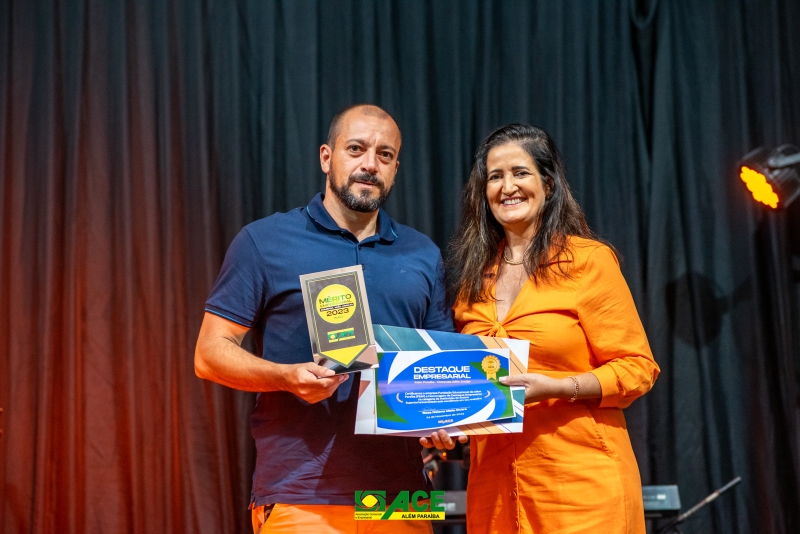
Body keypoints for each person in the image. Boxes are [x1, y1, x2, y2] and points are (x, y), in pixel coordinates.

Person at [194, 104, 456, 534]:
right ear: (326, 157)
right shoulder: (264, 241)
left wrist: (443, 418)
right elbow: (209, 354)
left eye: (385, 155)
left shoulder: (423, 253)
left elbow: (442, 367)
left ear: (395, 169)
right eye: (356, 149)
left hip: (402, 498)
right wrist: (285, 377)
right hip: (301, 493)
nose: (370, 164)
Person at [446, 123, 660, 534]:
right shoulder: (473, 281)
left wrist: (559, 387)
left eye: (520, 172)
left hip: (582, 491)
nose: (508, 186)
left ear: (548, 183)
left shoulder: (588, 261)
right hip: (494, 496)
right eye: (495, 176)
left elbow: (638, 368)